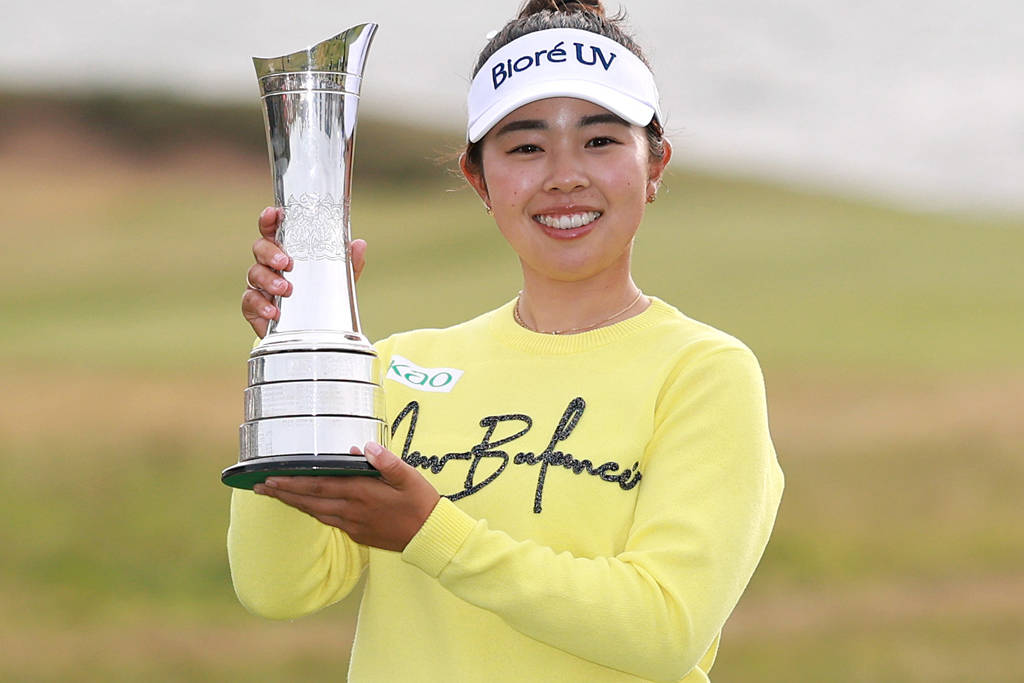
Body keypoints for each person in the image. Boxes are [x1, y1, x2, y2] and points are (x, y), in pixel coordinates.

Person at [230, 1, 784, 681]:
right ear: (479, 179)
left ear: (656, 163)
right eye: (525, 146)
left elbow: (664, 624)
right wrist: (295, 351)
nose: (564, 175)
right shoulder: (398, 366)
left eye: (600, 140)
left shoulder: (704, 372)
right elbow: (278, 587)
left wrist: (432, 531)